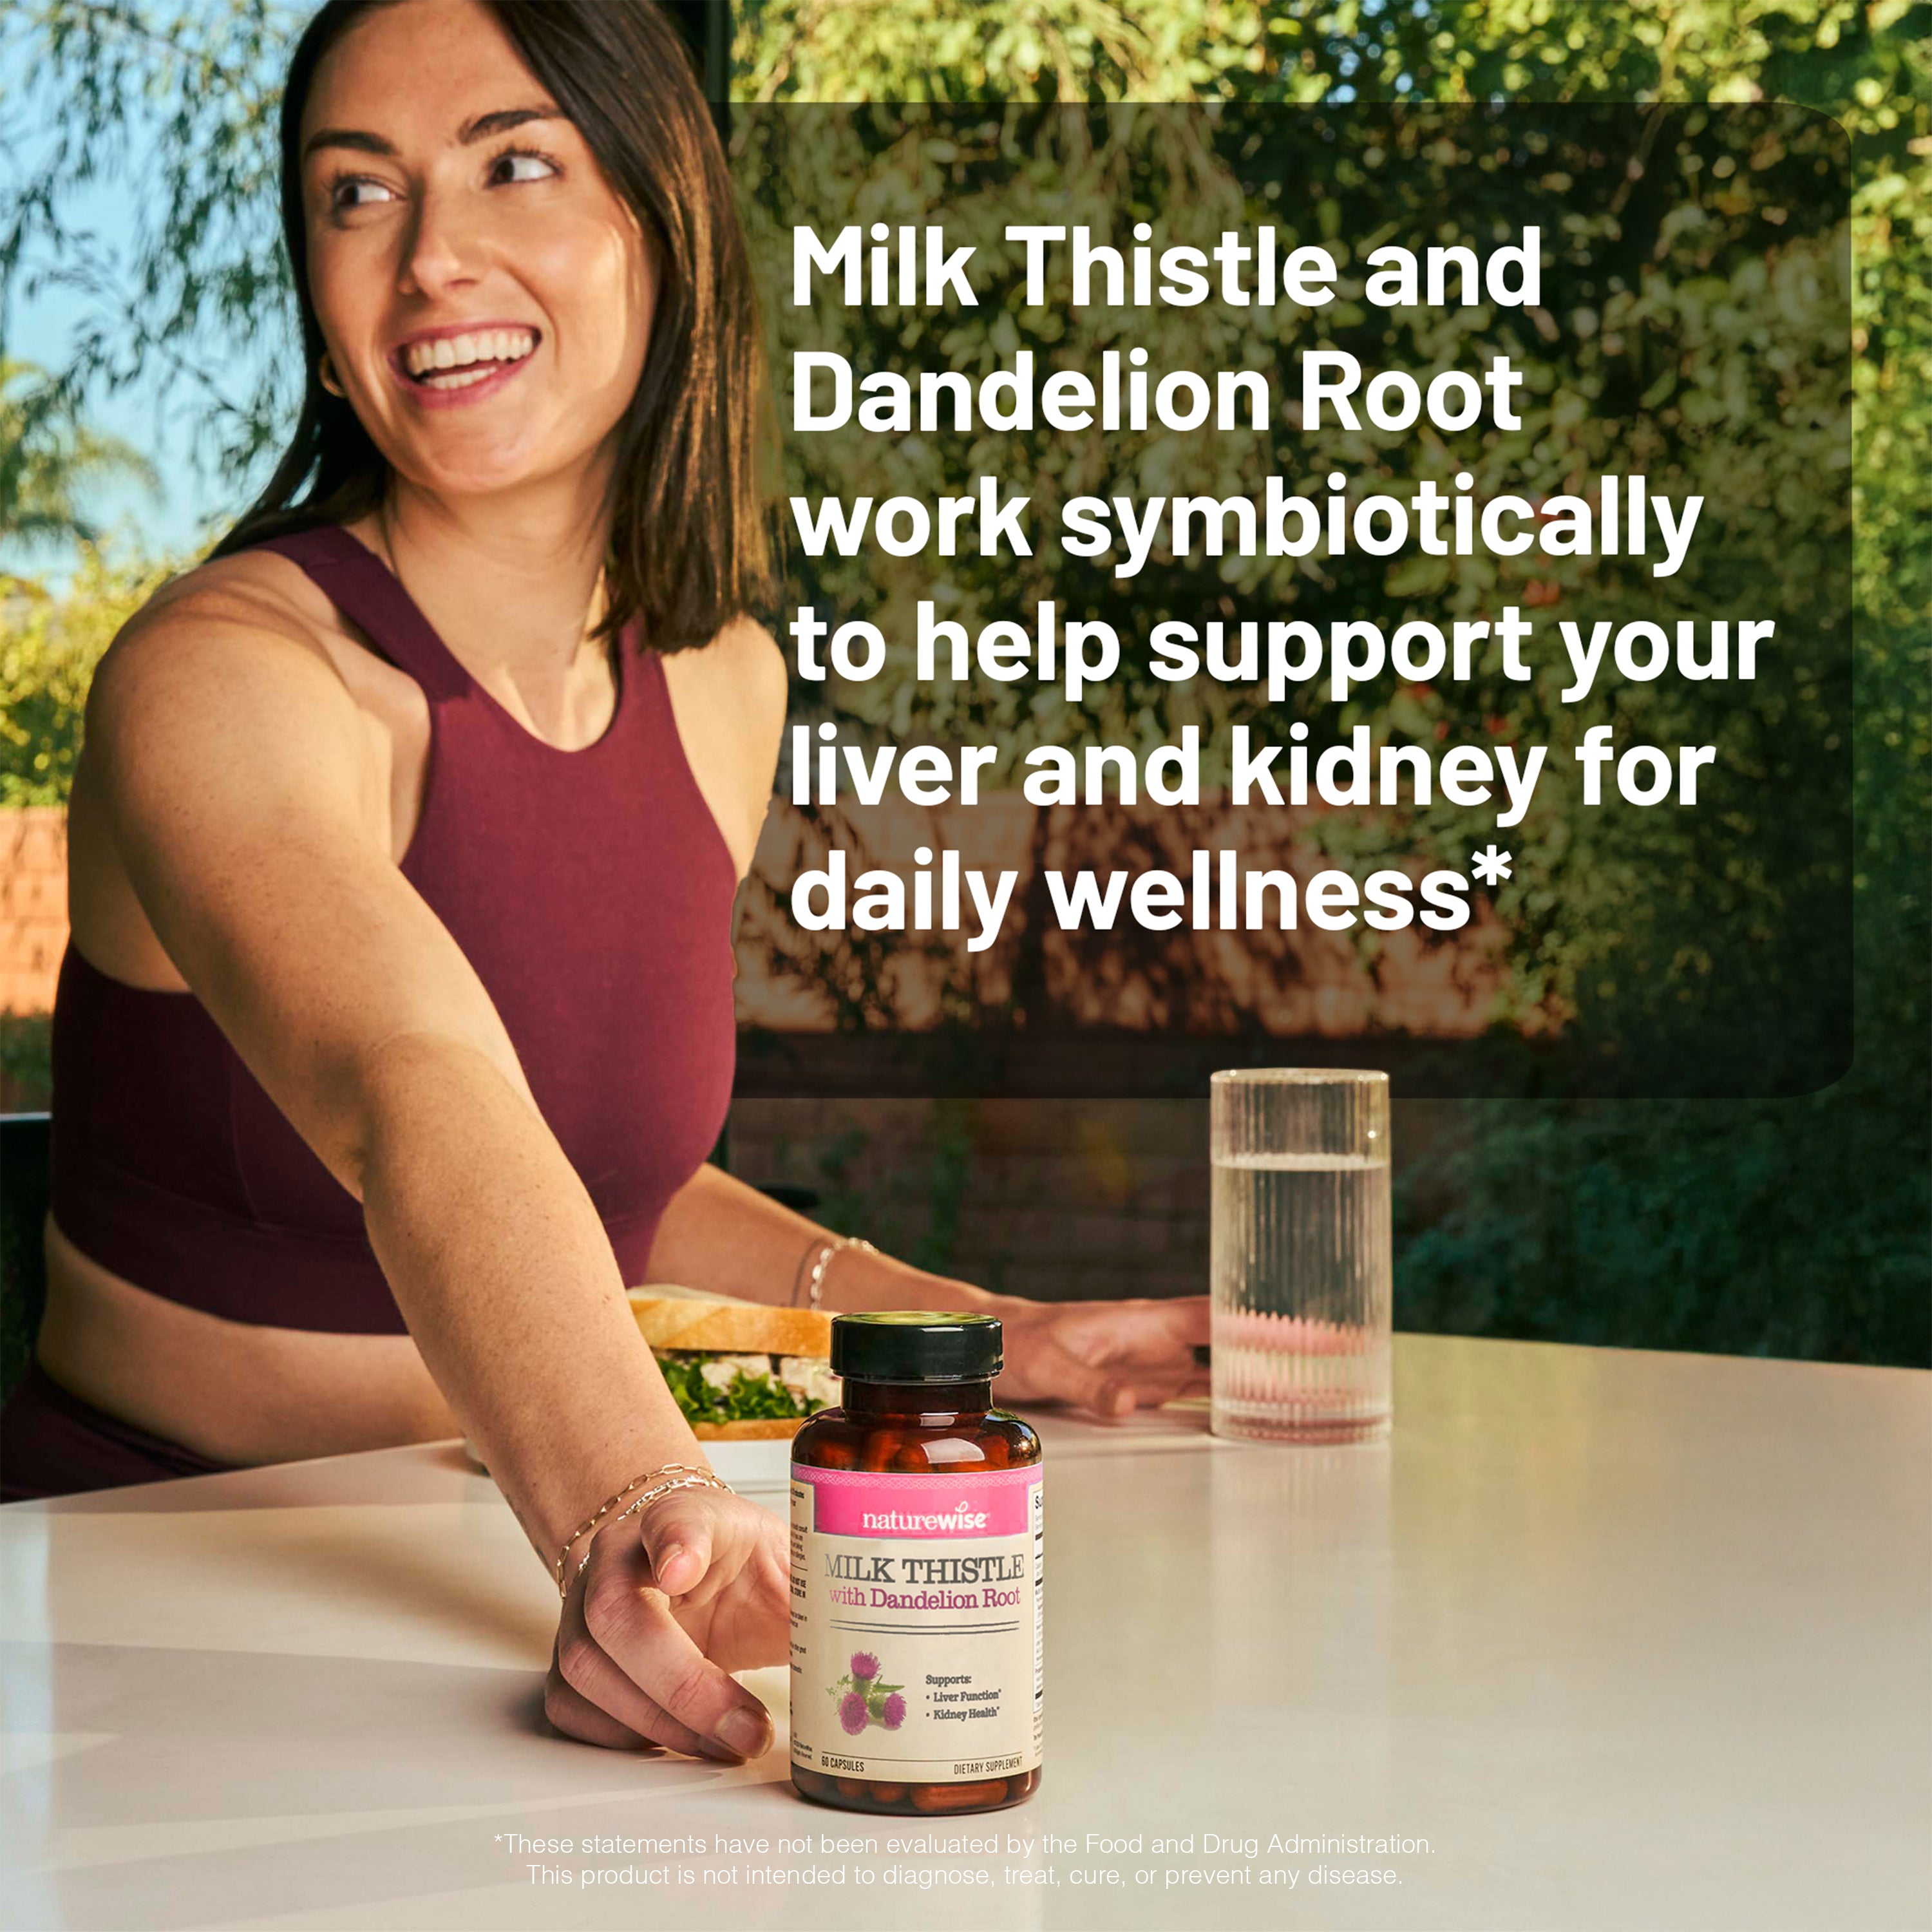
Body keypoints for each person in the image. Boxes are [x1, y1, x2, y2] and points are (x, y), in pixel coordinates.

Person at [0, 0, 1206, 1761]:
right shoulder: (225, 675)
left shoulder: (720, 682)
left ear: (668, 227)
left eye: (515, 164)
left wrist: (972, 1335)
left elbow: (611, 1179)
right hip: (154, 1601)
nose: (429, 255)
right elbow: (416, 1090)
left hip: (488, 1563)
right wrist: (630, 1498)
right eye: (357, 193)